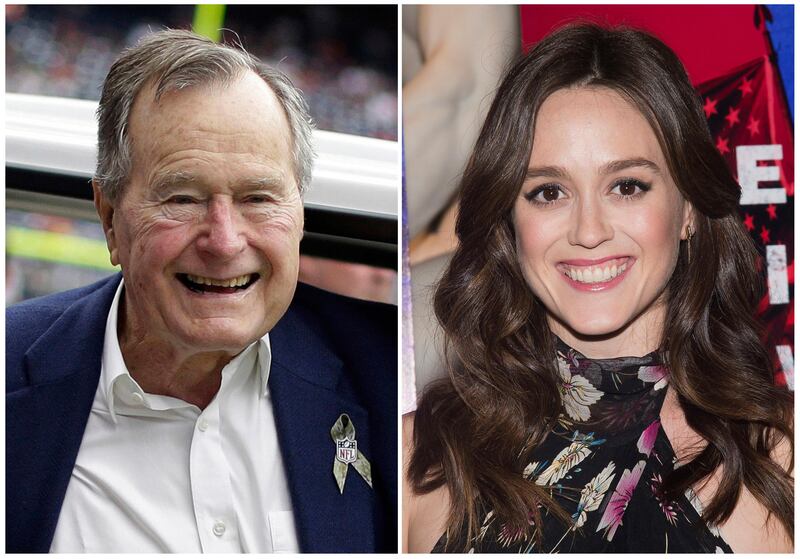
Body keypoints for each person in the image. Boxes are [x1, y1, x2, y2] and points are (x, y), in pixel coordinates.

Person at [403, 23, 793, 553]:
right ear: (509, 222)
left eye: (627, 186)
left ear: (689, 211)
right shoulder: (413, 461)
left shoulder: (783, 459)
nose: (589, 232)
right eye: (548, 192)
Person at [7, 29, 397, 553]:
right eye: (182, 198)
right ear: (108, 218)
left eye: (258, 197)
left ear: (299, 213)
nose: (224, 241)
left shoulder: (395, 377)